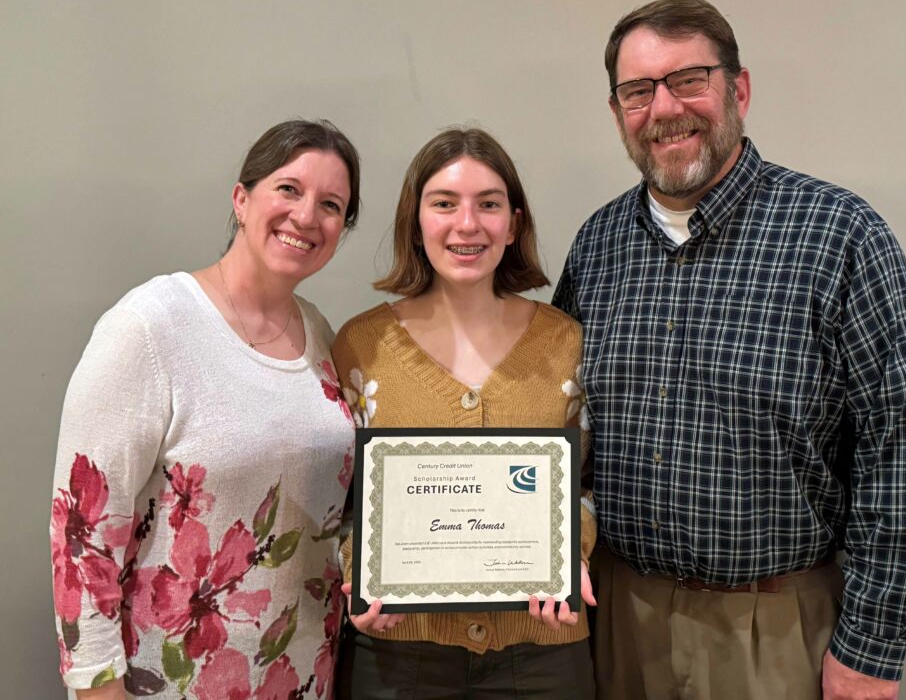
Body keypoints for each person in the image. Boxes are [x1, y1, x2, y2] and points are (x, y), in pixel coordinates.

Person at [552, 0, 906, 700]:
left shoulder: (839, 236)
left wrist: (872, 648)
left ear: (739, 89)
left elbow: (904, 449)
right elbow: (563, 433)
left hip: (776, 630)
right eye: (638, 91)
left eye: (689, 80)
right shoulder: (598, 245)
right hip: (617, 623)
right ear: (617, 113)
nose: (664, 107)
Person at [50, 119, 360, 699]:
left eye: (332, 205)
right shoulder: (149, 327)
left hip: (302, 675)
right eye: (288, 189)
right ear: (242, 199)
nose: (306, 216)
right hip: (166, 680)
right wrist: (97, 689)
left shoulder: (321, 335)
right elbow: (80, 533)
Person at [332, 127, 597, 699]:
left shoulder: (567, 343)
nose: (468, 224)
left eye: (489, 204)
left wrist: (571, 552)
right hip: (399, 649)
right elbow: (340, 494)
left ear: (514, 223)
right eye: (445, 204)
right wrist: (360, 574)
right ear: (416, 220)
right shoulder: (361, 347)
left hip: (545, 649)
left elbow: (590, 483)